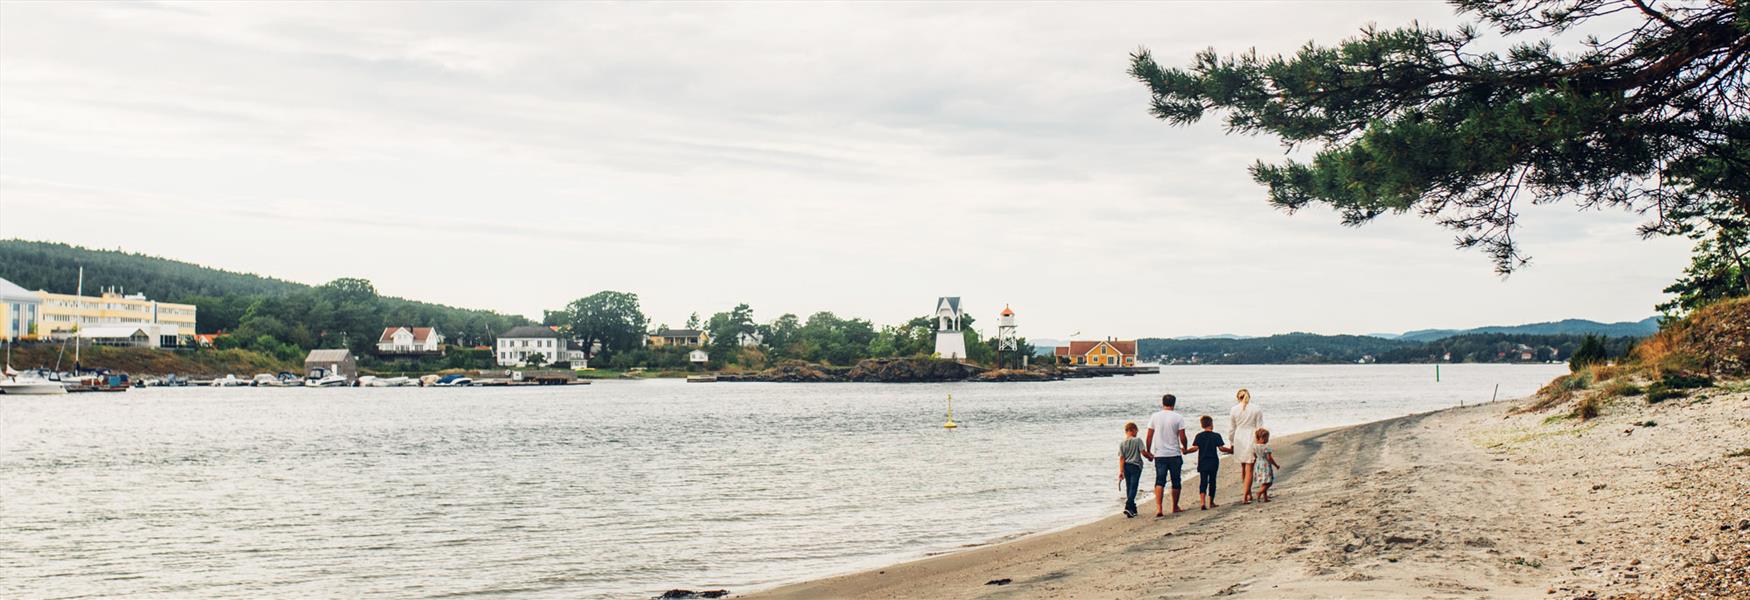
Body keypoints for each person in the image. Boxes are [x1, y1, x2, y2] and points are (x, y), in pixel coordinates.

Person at [1142, 394, 1188, 517]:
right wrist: (1185, 447)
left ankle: (1159, 508)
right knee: (1176, 480)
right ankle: (1174, 506)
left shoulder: (1155, 416)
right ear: (1174, 403)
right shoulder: (1178, 417)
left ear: (1162, 403)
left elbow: (1149, 436)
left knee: (1160, 480)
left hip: (1160, 454)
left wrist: (1149, 451)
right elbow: (1182, 436)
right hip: (1174, 454)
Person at [1184, 415, 1232, 510]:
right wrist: (1230, 450)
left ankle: (1202, 502)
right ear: (1211, 424)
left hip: (1203, 461)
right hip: (1213, 461)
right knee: (1212, 481)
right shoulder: (1216, 435)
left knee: (1203, 481)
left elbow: (1195, 448)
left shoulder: (1199, 436)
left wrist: (1186, 451)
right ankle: (1211, 502)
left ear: (1202, 425)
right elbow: (1221, 448)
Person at [1228, 388, 1265, 504]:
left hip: (1239, 437)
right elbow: (1259, 428)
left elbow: (1231, 429)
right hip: (1251, 436)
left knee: (1243, 467)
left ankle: (1248, 493)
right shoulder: (1256, 409)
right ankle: (1246, 494)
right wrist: (1260, 443)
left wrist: (1232, 442)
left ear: (1237, 398)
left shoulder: (1234, 410)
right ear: (1249, 396)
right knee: (1250, 468)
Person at [1117, 422, 1144, 518]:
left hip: (1126, 466)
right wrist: (1151, 456)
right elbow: (1143, 452)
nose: (1137, 433)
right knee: (1134, 487)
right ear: (1134, 430)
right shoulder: (1138, 440)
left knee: (1129, 487)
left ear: (1126, 431)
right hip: (1135, 466)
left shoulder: (1122, 443)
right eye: (1136, 431)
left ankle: (1132, 509)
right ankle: (1128, 505)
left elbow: (1121, 458)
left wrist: (1121, 471)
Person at [1252, 428, 1281, 502]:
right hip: (1265, 465)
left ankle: (1265, 498)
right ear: (1262, 438)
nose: (1268, 439)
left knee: (1264, 482)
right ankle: (1259, 492)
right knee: (1269, 482)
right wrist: (1276, 465)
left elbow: (1254, 455)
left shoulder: (1255, 446)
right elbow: (1269, 458)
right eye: (1267, 438)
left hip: (1259, 465)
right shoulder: (1266, 447)